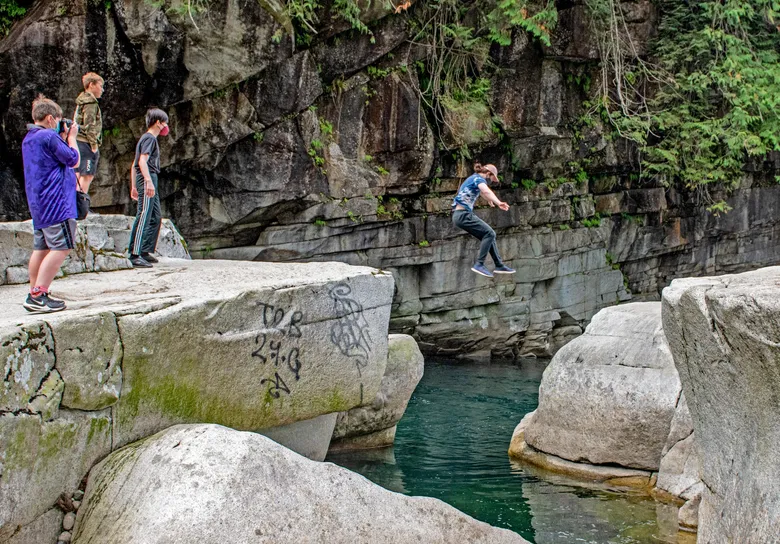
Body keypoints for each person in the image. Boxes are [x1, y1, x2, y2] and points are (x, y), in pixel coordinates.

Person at [21, 95, 80, 312]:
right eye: (58, 119)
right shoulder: (48, 136)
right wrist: (71, 137)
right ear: (50, 118)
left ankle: (34, 292)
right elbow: (74, 159)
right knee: (62, 246)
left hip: (38, 204)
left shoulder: (29, 138)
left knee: (42, 247)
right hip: (56, 203)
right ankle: (39, 294)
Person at [452, 162, 516, 278]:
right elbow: (485, 190)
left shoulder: (473, 179)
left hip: (459, 216)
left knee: (488, 236)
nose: (491, 181)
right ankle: (479, 264)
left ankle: (499, 264)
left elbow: (482, 192)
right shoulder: (478, 179)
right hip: (463, 215)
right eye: (491, 177)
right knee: (490, 233)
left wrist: (488, 200)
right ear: (488, 173)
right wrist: (499, 202)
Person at [127, 108, 169, 268]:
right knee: (144, 214)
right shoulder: (149, 139)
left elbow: (133, 164)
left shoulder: (147, 139)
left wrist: (133, 186)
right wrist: (147, 181)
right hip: (147, 176)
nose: (166, 126)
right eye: (165, 122)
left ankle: (144, 250)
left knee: (155, 216)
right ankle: (134, 253)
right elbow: (141, 162)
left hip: (147, 177)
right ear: (158, 122)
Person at [73, 72, 104, 195]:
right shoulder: (90, 103)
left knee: (78, 174)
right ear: (91, 85)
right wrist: (94, 145)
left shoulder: (81, 100)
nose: (102, 90)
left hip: (78, 142)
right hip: (86, 143)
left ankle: (75, 203)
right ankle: (81, 203)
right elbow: (89, 125)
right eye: (100, 86)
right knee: (87, 175)